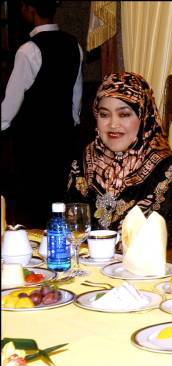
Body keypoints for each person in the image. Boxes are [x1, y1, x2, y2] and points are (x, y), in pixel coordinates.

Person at [65, 72, 172, 247]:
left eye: (124, 114)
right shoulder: (84, 159)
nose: (113, 124)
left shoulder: (168, 168)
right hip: (86, 265)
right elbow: (69, 226)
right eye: (104, 114)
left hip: (139, 271)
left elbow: (154, 239)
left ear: (144, 116)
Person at [1, 0, 83, 228]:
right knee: (59, 201)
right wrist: (72, 126)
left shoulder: (28, 50)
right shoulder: (73, 45)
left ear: (29, 9)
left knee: (35, 208)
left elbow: (11, 104)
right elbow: (76, 96)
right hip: (64, 140)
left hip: (33, 144)